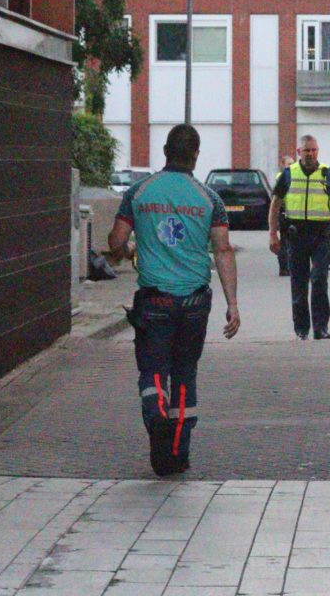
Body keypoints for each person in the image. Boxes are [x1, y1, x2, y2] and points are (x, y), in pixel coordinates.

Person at [106, 124, 240, 476]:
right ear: (195, 154)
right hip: (195, 302)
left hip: (154, 302)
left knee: (153, 370)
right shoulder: (210, 198)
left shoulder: (139, 192)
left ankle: (156, 416)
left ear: (165, 151)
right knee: (184, 373)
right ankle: (177, 453)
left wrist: (127, 248)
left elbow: (117, 242)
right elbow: (223, 250)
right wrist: (233, 304)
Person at [268, 135, 330, 340]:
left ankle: (320, 327)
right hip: (295, 236)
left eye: (314, 150)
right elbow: (275, 204)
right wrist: (272, 233)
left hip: (320, 236)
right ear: (299, 152)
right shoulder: (288, 174)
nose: (311, 154)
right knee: (298, 283)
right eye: (307, 150)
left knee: (319, 280)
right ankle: (301, 329)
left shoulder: (327, 173)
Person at [274, 155, 294, 277]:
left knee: (288, 241)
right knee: (286, 241)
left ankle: (286, 267)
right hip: (285, 211)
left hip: (290, 210)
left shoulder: (289, 176)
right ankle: (284, 268)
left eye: (293, 164)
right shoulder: (282, 177)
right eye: (288, 164)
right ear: (282, 164)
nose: (291, 167)